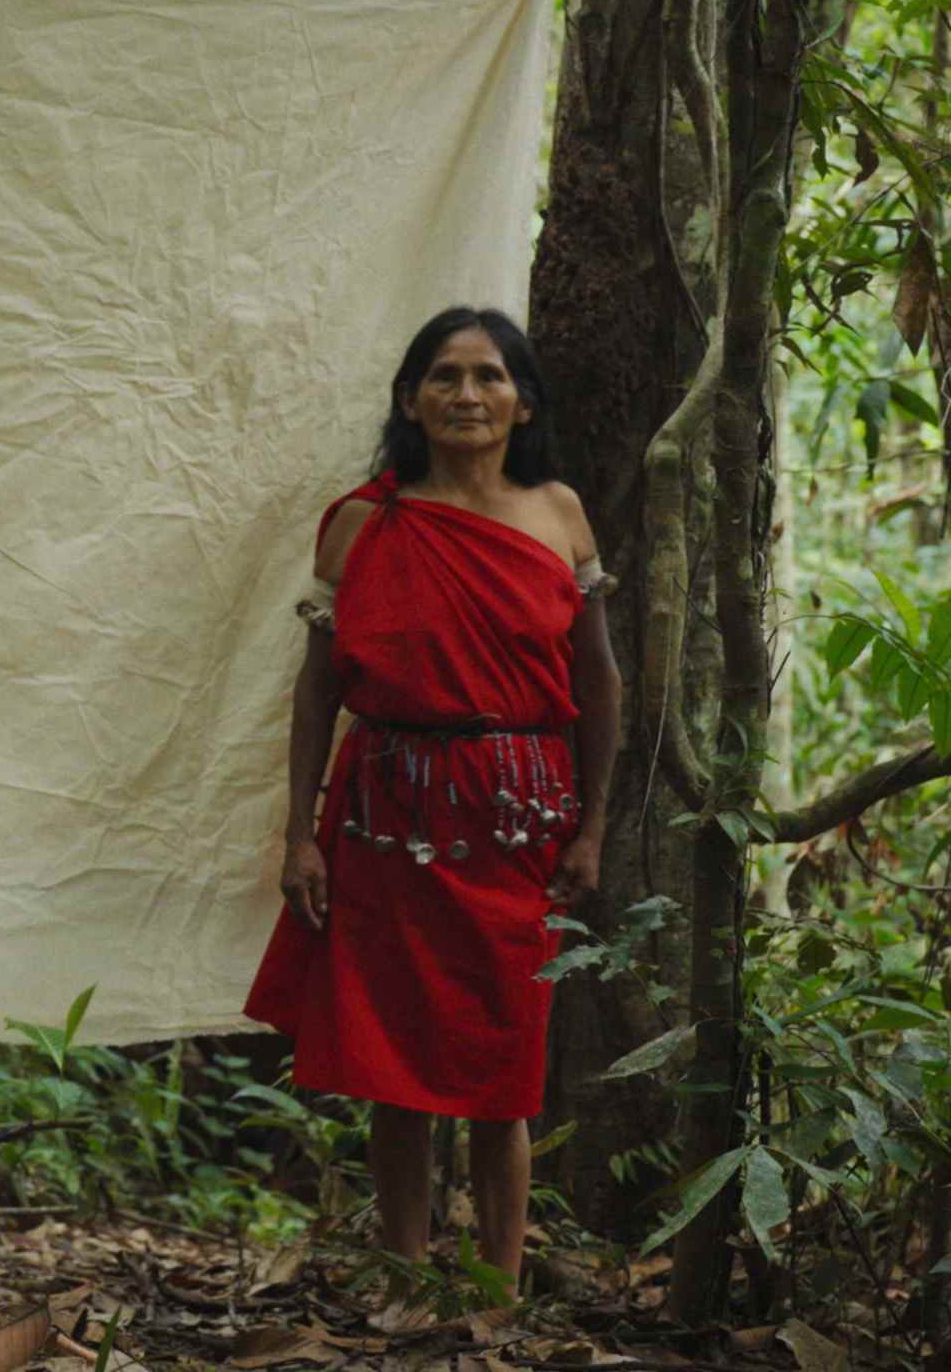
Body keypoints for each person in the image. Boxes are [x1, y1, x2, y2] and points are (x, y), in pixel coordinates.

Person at [244, 306, 621, 1297]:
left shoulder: (557, 513)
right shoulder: (363, 522)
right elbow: (317, 686)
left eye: (487, 375)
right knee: (390, 1067)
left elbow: (600, 681)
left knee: (504, 1076)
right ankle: (401, 1276)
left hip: (519, 827)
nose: (465, 393)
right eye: (443, 376)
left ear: (521, 400)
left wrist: (591, 825)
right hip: (386, 822)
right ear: (409, 400)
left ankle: (496, 1292)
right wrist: (299, 833)